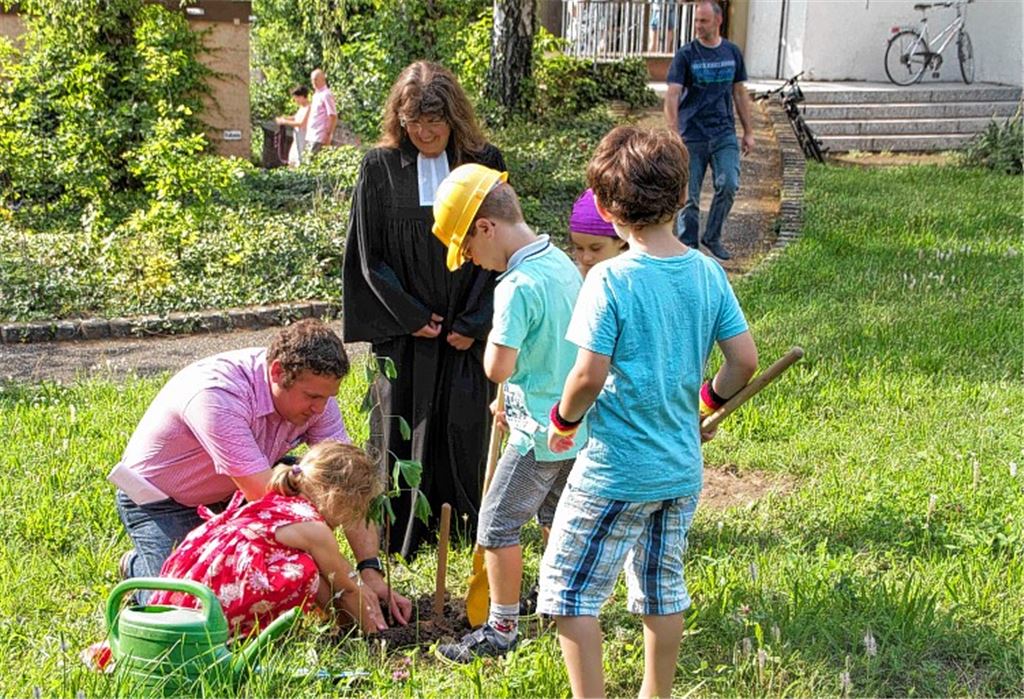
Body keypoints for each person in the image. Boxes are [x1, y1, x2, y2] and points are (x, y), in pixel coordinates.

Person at [538, 126, 759, 699]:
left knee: (567, 590)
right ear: (683, 196)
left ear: (608, 208)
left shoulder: (609, 278)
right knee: (662, 588)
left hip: (616, 471)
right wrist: (705, 402)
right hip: (680, 469)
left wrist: (562, 423)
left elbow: (586, 376)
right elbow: (743, 360)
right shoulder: (707, 271)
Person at [111, 319, 410, 624]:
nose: (320, 409)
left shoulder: (316, 398)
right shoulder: (218, 396)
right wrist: (340, 576)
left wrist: (369, 570)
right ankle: (138, 565)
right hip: (162, 500)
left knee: (318, 509)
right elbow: (266, 500)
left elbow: (347, 481)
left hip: (238, 486)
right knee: (187, 610)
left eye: (327, 397)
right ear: (278, 372)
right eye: (312, 397)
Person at [342, 61, 507, 557]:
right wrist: (412, 317)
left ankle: (461, 530)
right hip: (405, 327)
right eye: (415, 122)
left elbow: (498, 243)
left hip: (462, 326)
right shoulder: (379, 167)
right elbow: (370, 256)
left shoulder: (483, 162)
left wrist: (475, 323)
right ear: (400, 119)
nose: (427, 132)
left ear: (454, 116)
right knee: (398, 424)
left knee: (463, 425)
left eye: (435, 121)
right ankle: (398, 533)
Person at [428, 164, 586, 662]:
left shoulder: (514, 286)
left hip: (536, 433)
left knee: (495, 525)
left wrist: (499, 373)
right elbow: (557, 345)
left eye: (470, 250)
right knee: (559, 518)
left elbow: (499, 366)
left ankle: (501, 631)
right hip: (573, 423)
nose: (475, 261)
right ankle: (569, 603)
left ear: (485, 228)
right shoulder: (561, 261)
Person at [149, 441, 391, 637]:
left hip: (202, 575)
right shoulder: (315, 528)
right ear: (341, 498)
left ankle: (338, 626)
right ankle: (240, 631)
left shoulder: (282, 499)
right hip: (224, 593)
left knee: (309, 566)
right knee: (305, 570)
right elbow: (346, 588)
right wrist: (375, 633)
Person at [664, 0, 754, 261]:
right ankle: (689, 249)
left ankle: (712, 236)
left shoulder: (732, 53)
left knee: (729, 184)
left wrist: (748, 131)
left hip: (723, 133)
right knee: (688, 198)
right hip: (692, 136)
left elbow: (739, 93)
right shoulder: (686, 55)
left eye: (703, 21)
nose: (698, 26)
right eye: (696, 21)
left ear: (718, 21)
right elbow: (672, 96)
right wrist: (674, 132)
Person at [568, 188, 628, 278]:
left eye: (596, 248)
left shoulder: (634, 279)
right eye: (579, 248)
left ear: (621, 239)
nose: (586, 258)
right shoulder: (572, 280)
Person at [275, 84, 310, 167]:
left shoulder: (309, 108)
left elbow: (301, 123)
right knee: (291, 160)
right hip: (297, 139)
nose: (295, 101)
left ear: (302, 96)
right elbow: (295, 117)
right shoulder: (302, 107)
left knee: (300, 162)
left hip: (304, 140)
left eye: (296, 98)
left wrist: (285, 122)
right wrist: (285, 118)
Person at [306, 68, 337, 156]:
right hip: (311, 135)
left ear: (323, 79)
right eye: (312, 80)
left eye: (316, 79)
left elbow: (333, 116)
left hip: (319, 136)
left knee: (312, 162)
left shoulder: (326, 94)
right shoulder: (316, 95)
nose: (313, 82)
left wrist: (328, 135)